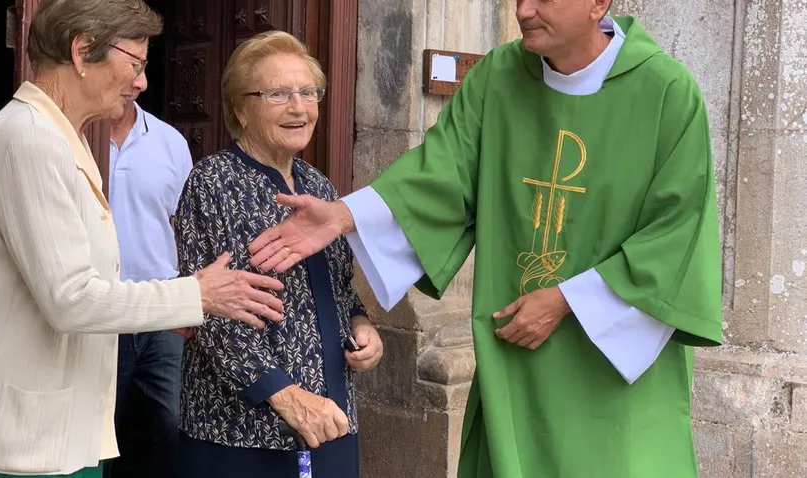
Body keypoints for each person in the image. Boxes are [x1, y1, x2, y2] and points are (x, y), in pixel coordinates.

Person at [248, 1, 724, 477]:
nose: (524, 10)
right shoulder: (500, 76)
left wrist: (567, 299)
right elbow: (440, 173)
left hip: (614, 367)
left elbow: (678, 232)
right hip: (517, 354)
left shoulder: (666, 92)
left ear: (597, 3)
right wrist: (345, 215)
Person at [0, 0, 285, 476]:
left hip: (54, 430)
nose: (142, 82)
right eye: (135, 63)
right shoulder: (30, 140)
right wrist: (197, 295)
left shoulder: (56, 136)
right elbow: (71, 298)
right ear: (82, 51)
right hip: (23, 443)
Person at [173, 31, 384, 478]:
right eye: (278, 94)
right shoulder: (213, 183)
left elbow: (341, 287)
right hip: (238, 433)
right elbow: (209, 312)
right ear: (240, 109)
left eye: (308, 92)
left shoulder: (318, 185)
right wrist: (287, 396)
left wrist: (362, 326)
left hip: (330, 419)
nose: (299, 107)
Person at [101, 83, 193, 477]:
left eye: (140, 66)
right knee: (98, 433)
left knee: (169, 427)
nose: (135, 81)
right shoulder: (72, 137)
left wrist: (189, 302)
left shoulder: (169, 142)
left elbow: (188, 227)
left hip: (163, 314)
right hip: (99, 312)